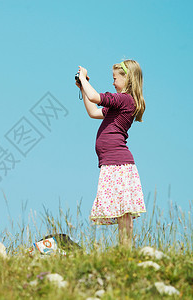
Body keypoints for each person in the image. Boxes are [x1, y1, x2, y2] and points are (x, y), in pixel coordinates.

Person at [76, 60, 146, 248]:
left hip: (118, 162)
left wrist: (84, 78)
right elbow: (93, 111)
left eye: (115, 79)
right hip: (113, 163)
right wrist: (83, 87)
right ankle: (125, 250)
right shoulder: (119, 104)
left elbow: (95, 97)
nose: (113, 83)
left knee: (124, 211)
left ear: (127, 78)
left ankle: (125, 250)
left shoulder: (124, 99)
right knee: (122, 210)